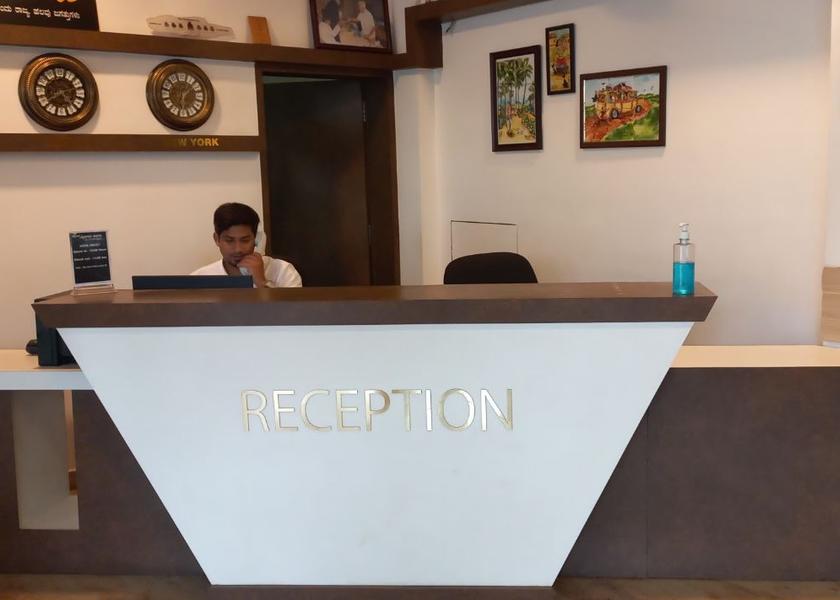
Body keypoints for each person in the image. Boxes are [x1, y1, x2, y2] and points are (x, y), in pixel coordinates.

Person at [192, 203, 302, 288]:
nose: (238, 249)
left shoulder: (283, 271)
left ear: (257, 239)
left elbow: (293, 311)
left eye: (245, 240)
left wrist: (261, 282)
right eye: (229, 241)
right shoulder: (199, 279)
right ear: (217, 239)